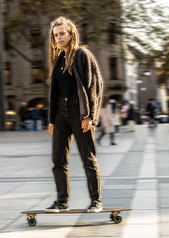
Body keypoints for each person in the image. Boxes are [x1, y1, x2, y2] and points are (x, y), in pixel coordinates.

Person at [45, 17, 104, 213]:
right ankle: (62, 201)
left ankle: (96, 201)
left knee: (88, 158)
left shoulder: (82, 55)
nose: (59, 37)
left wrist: (89, 116)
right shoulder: (58, 60)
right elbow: (55, 92)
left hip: (80, 112)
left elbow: (94, 86)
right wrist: (52, 120)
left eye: (62, 33)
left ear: (71, 34)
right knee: (58, 160)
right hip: (61, 113)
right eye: (56, 35)